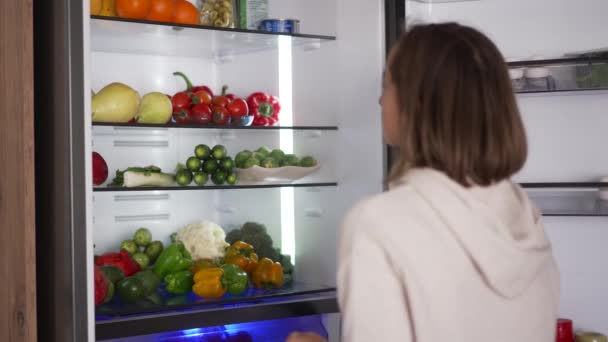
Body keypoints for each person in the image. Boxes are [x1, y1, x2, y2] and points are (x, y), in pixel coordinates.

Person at [287, 22, 560, 342]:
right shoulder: (525, 214)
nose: (379, 101)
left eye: (386, 83)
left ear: (417, 104)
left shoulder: (379, 222)